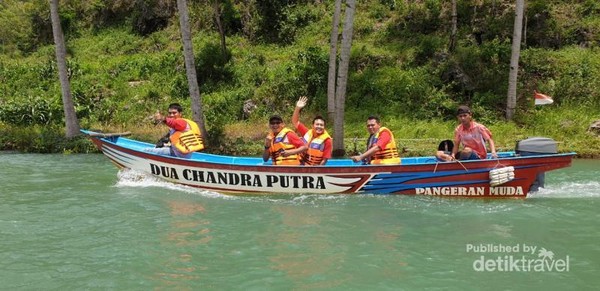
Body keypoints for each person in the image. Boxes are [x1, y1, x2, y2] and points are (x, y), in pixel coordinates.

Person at [291, 96, 332, 165]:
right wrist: (297, 108)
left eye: (321, 125)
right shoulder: (307, 132)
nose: (319, 126)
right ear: (312, 126)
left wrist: (315, 170)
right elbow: (295, 121)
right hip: (300, 163)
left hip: (313, 167)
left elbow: (325, 160)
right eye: (317, 124)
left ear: (324, 127)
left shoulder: (327, 140)